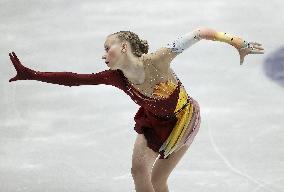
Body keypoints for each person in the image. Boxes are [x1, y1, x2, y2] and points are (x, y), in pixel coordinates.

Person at [8, 27, 264, 192]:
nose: (103, 54)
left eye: (107, 47)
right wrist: (32, 74)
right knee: (139, 172)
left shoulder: (159, 60)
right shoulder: (115, 77)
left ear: (123, 47)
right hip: (153, 121)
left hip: (182, 121)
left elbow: (200, 32)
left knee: (157, 180)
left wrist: (237, 42)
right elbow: (75, 78)